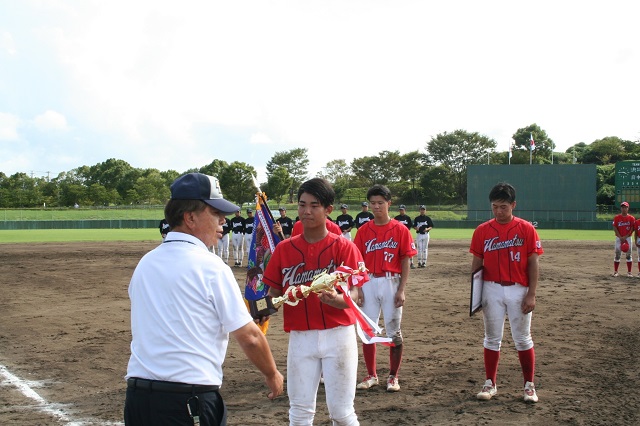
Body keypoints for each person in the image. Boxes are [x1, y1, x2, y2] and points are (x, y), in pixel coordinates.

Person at [124, 172, 284, 425]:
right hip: (188, 400)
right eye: (214, 212)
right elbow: (251, 337)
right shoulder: (211, 266)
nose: (223, 220)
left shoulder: (146, 262)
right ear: (190, 218)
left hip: (138, 399)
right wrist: (272, 373)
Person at [263, 177, 367, 426]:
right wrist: (264, 308)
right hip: (301, 338)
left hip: (338, 334)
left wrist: (338, 300)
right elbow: (271, 292)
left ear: (328, 209)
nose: (306, 211)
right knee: (299, 412)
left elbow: (356, 295)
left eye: (314, 205)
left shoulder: (344, 247)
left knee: (342, 413)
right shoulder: (285, 249)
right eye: (302, 204)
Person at [469, 182, 543, 403]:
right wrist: (477, 295)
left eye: (503, 207)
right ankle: (490, 383)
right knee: (492, 338)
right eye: (494, 207)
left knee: (522, 338)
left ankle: (529, 385)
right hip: (491, 288)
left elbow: (533, 263)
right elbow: (476, 265)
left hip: (519, 289)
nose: (499, 211)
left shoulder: (526, 228)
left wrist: (531, 293)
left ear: (513, 205)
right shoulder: (482, 230)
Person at [353, 185, 417, 393]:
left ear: (389, 204)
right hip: (369, 281)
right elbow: (357, 262)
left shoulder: (400, 229)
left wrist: (402, 289)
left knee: (393, 331)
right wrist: (359, 288)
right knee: (367, 330)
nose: (376, 206)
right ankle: (371, 374)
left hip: (392, 281)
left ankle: (393, 376)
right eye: (372, 203)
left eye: (380, 202)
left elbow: (405, 260)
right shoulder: (364, 230)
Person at [613, 201, 635, 277]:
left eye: (625, 207)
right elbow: (615, 227)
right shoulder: (617, 217)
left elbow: (632, 228)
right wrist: (620, 237)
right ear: (621, 208)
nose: (624, 209)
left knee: (629, 255)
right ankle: (616, 271)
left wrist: (625, 237)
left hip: (628, 238)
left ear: (628, 208)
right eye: (622, 207)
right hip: (619, 238)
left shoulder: (631, 218)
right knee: (617, 254)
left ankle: (629, 272)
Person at [394, 205, 415, 269]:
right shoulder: (396, 218)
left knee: (408, 248)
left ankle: (411, 262)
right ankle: (398, 263)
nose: (401, 211)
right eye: (400, 210)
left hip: (406, 235)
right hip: (398, 235)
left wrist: (405, 232)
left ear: (405, 210)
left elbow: (410, 226)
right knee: (398, 249)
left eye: (402, 210)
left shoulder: (407, 218)